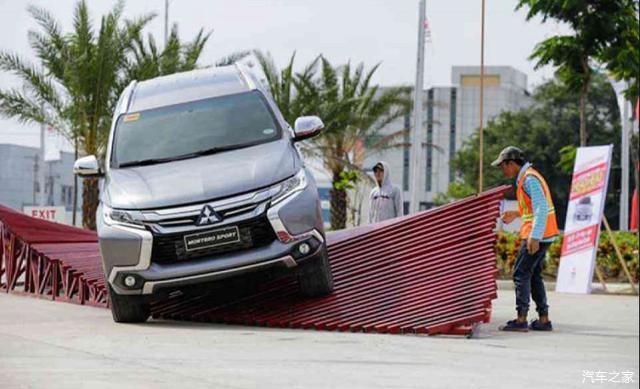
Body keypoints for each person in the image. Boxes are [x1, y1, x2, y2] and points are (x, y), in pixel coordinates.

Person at [492, 146, 559, 332]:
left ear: (511, 164)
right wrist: (515, 213)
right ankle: (543, 319)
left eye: (502, 166)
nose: (502, 170)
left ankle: (521, 319)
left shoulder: (529, 179)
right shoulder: (527, 178)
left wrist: (534, 236)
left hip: (538, 235)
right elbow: (532, 208)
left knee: (520, 273)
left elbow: (541, 208)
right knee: (533, 275)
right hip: (543, 234)